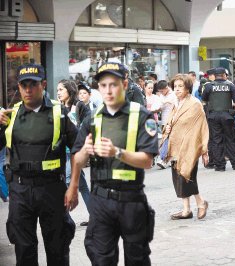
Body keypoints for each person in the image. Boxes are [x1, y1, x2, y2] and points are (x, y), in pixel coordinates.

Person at [71, 62, 158, 264]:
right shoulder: (92, 118)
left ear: (125, 85)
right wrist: (84, 152)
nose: (108, 90)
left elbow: (147, 161)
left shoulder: (141, 115)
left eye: (114, 84)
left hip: (131, 199)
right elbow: (77, 158)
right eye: (103, 85)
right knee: (101, 259)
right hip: (100, 200)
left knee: (137, 259)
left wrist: (117, 152)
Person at [0, 64, 78, 265]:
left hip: (52, 189)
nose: (27, 89)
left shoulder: (59, 113)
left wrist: (74, 186)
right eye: (23, 85)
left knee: (57, 249)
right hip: (20, 189)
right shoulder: (11, 115)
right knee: (24, 250)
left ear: (43, 85)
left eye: (32, 85)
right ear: (18, 87)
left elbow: (79, 150)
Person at [161, 74, 209, 220]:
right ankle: (186, 209)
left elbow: (202, 127)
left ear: (188, 88)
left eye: (180, 86)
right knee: (178, 178)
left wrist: (204, 150)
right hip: (175, 147)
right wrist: (167, 128)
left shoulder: (195, 104)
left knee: (187, 177)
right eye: (175, 87)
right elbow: (171, 122)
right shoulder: (177, 103)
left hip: (189, 147)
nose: (177, 89)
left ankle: (201, 203)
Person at [57, 79, 91, 226]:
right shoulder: (58, 108)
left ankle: (62, 217)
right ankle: (96, 215)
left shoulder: (79, 106)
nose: (58, 93)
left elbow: (88, 123)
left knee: (67, 180)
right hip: (62, 152)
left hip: (75, 151)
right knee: (82, 185)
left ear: (69, 90)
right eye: (57, 90)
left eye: (61, 90)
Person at [202, 67, 235, 171]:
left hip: (213, 117)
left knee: (216, 141)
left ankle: (220, 165)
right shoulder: (230, 86)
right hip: (227, 116)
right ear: (224, 75)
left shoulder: (208, 86)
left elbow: (204, 101)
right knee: (231, 139)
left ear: (214, 76)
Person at [156, 80, 178, 169]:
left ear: (166, 88)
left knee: (166, 139)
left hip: (172, 120)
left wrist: (169, 103)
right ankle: (169, 158)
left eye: (162, 91)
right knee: (168, 139)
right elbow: (159, 106)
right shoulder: (161, 96)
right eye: (160, 91)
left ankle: (162, 158)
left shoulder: (174, 95)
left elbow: (177, 107)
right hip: (164, 121)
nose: (161, 93)